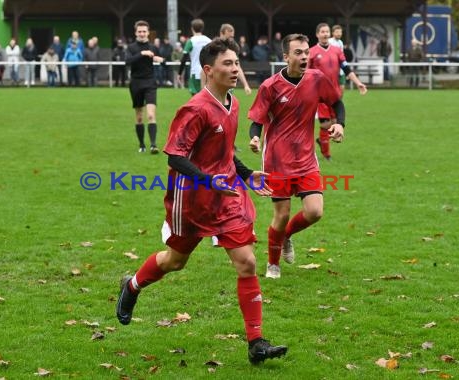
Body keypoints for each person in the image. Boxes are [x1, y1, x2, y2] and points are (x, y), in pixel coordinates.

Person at [116, 38, 288, 364]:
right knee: (174, 261)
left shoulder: (233, 104)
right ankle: (133, 286)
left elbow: (225, 153)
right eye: (228, 64)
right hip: (192, 200)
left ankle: (256, 343)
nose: (235, 69)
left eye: (236, 63)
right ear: (208, 70)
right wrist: (209, 181)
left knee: (247, 262)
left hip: (227, 197)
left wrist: (246, 173)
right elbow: (174, 157)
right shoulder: (195, 109)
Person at [248, 33, 345, 279]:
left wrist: (340, 124)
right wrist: (255, 137)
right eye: (298, 53)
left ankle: (287, 236)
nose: (304, 57)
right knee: (281, 214)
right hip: (277, 160)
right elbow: (257, 120)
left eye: (306, 52)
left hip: (306, 159)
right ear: (286, 56)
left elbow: (337, 103)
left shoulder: (317, 79)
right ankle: (273, 264)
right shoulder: (270, 86)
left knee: (315, 212)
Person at [308, 23, 367, 161]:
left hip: (334, 95)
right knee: (325, 124)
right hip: (320, 96)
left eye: (327, 31)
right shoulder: (312, 52)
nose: (325, 34)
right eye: (322, 32)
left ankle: (322, 143)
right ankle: (326, 153)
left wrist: (358, 83)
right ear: (317, 34)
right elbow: (306, 75)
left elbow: (346, 69)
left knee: (335, 123)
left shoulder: (337, 51)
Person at [126, 20, 164, 153]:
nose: (142, 34)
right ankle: (142, 144)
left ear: (148, 33)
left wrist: (161, 60)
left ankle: (153, 145)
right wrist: (142, 54)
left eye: (144, 31)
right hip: (136, 83)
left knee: (151, 115)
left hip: (150, 83)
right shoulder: (131, 48)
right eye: (139, 31)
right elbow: (127, 61)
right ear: (136, 33)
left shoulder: (153, 47)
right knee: (139, 117)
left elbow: (163, 61)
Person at [178, 18, 211, 96]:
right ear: (202, 28)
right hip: (208, 73)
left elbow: (184, 58)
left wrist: (179, 73)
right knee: (208, 97)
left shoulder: (191, 41)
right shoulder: (209, 41)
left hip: (195, 73)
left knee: (196, 98)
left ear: (192, 28)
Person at [219, 24, 252, 95]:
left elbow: (238, 67)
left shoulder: (233, 47)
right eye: (229, 37)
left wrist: (246, 85)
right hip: (215, 85)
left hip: (228, 85)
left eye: (232, 37)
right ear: (221, 33)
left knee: (228, 105)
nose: (231, 39)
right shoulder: (214, 47)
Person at [328, 25, 345, 92]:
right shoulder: (329, 41)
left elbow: (342, 56)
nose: (339, 34)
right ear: (333, 33)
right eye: (337, 32)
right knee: (331, 90)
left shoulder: (341, 42)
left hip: (340, 70)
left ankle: (339, 102)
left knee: (342, 88)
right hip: (331, 70)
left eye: (340, 32)